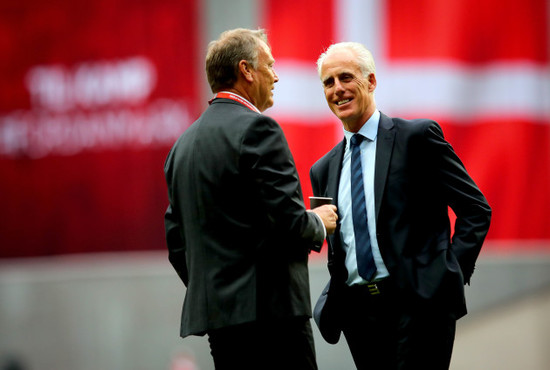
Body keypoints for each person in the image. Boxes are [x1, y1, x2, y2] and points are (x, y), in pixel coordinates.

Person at [164, 28, 338, 370]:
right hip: (274, 320)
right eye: (269, 65)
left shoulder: (180, 147)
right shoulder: (260, 130)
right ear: (246, 70)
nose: (275, 76)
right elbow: (289, 221)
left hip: (220, 322)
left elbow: (176, 243)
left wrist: (221, 291)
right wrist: (319, 221)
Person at [310, 42, 492, 369]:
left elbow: (475, 209)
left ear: (371, 82)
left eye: (346, 77)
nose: (337, 89)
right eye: (328, 82)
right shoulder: (323, 169)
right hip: (359, 316)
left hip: (420, 305)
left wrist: (447, 274)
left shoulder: (416, 138)